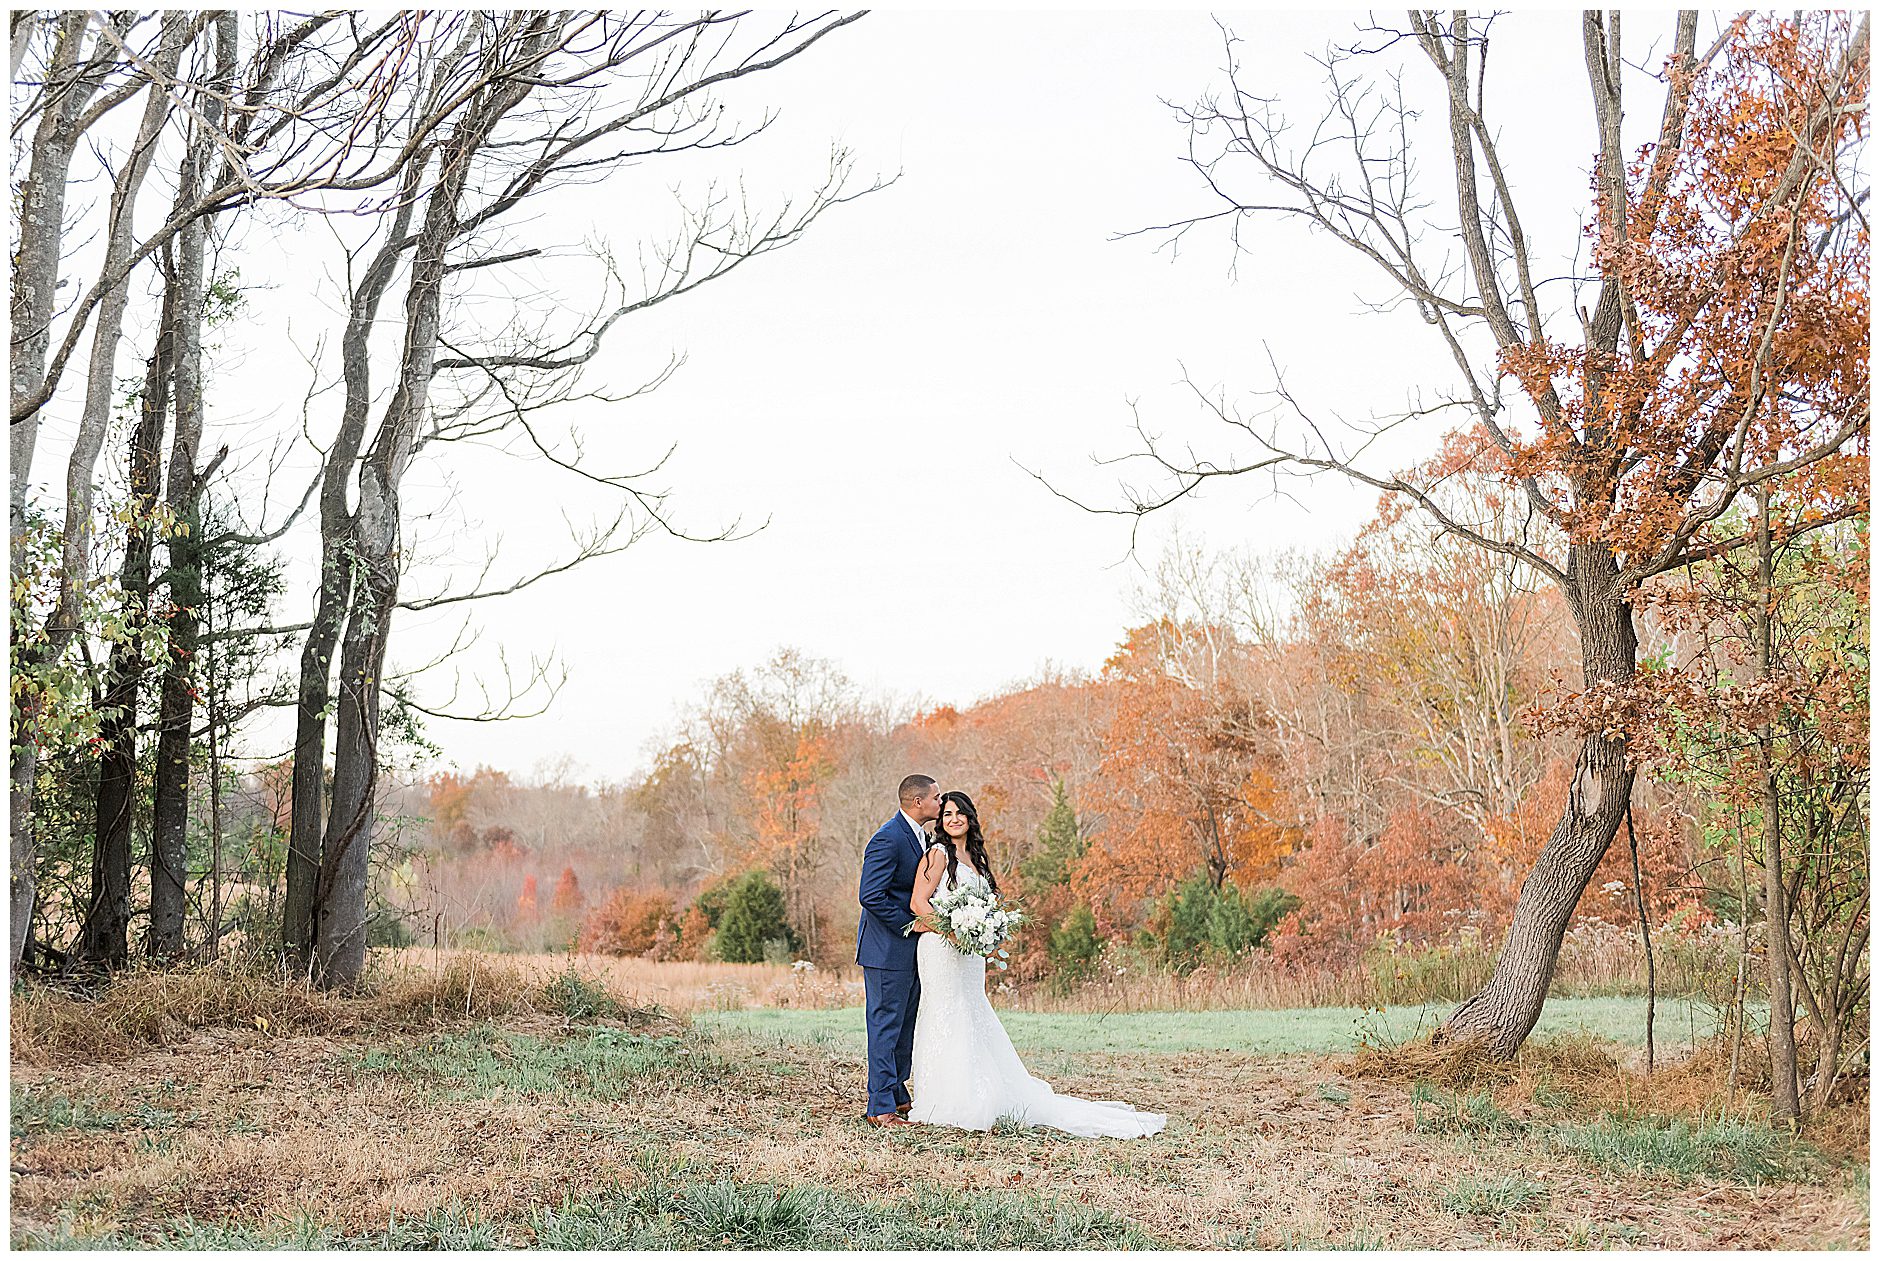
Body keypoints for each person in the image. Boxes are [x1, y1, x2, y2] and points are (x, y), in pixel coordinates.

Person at [907, 790, 1166, 1138]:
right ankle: (944, 1097)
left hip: (969, 954)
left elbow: (986, 905)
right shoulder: (936, 855)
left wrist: (983, 930)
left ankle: (977, 1092)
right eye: (947, 813)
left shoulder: (977, 860)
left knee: (971, 1010)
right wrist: (952, 931)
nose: (953, 819)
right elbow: (918, 904)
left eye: (960, 813)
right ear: (941, 821)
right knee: (944, 1013)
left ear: (970, 818)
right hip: (940, 949)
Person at [854, 773, 944, 1126]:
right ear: (918, 802)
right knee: (885, 1025)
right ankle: (879, 1106)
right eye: (936, 797)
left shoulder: (922, 837)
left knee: (905, 1025)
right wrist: (911, 923)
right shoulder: (888, 839)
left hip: (911, 952)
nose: (941, 801)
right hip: (885, 950)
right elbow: (870, 895)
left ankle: (895, 1092)